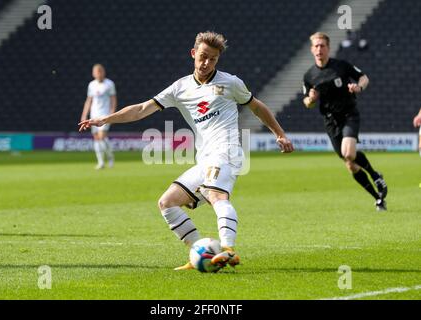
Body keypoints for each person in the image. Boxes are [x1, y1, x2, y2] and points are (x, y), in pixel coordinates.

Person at [79, 31, 294, 270]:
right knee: (167, 202)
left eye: (212, 59)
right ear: (193, 54)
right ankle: (198, 254)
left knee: (216, 196)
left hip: (227, 152)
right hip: (205, 159)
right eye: (202, 56)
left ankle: (229, 250)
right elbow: (141, 109)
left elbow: (256, 106)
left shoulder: (231, 83)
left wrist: (280, 133)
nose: (206, 63)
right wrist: (104, 119)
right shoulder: (180, 88)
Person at [302, 32, 387, 211]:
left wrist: (358, 87)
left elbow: (364, 78)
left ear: (328, 48)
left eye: (322, 46)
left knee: (348, 153)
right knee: (350, 164)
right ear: (311, 49)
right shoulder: (309, 76)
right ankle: (378, 198)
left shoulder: (341, 66)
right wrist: (310, 100)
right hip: (330, 122)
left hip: (349, 114)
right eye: (316, 46)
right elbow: (307, 102)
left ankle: (375, 175)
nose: (319, 49)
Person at [80, 64, 117, 170]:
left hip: (104, 115)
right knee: (96, 138)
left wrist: (112, 114)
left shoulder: (109, 84)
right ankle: (101, 162)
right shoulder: (91, 85)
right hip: (93, 114)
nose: (99, 73)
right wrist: (84, 115)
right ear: (93, 73)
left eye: (100, 71)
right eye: (97, 71)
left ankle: (110, 157)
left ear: (104, 72)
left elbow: (113, 99)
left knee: (102, 137)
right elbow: (89, 101)